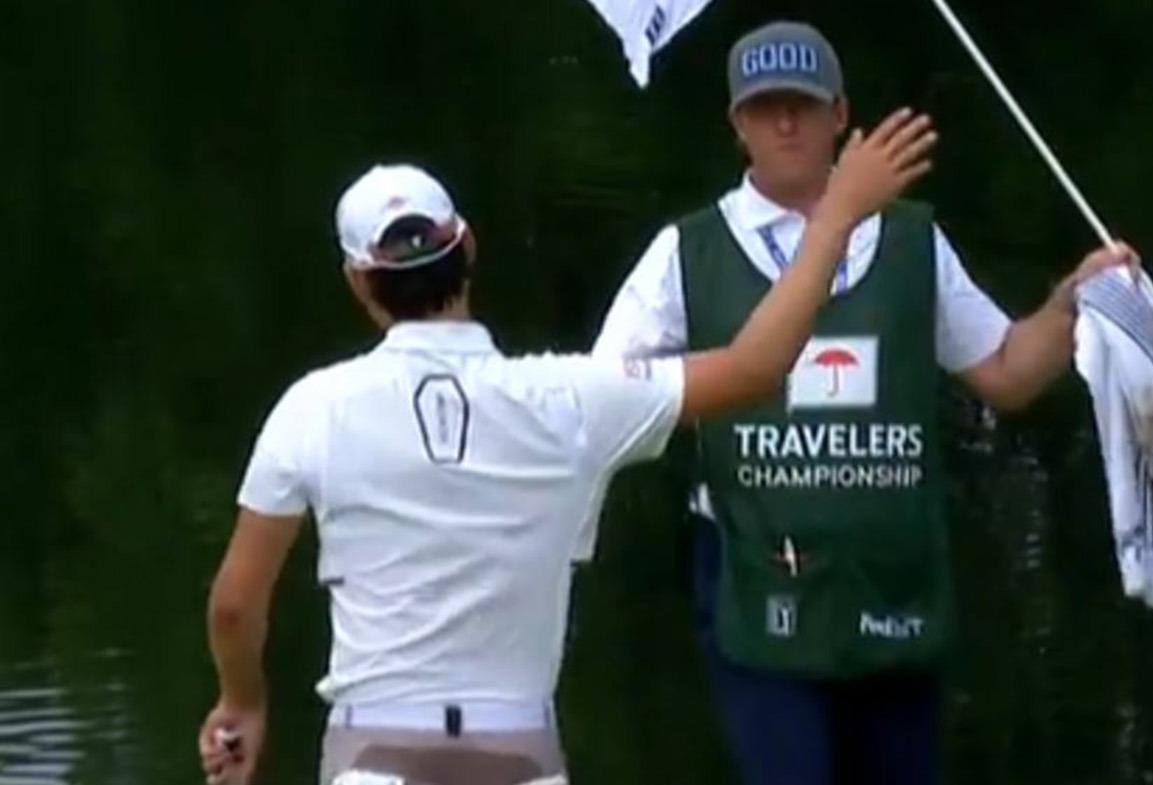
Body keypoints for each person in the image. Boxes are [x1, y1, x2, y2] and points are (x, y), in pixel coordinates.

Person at [195, 107, 936, 785]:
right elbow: (755, 366)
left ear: (360, 283)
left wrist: (243, 701)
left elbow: (235, 604)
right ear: (470, 249)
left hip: (373, 752)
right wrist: (834, 218)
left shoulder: (312, 408)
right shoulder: (570, 398)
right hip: (518, 750)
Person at [591, 19, 1136, 785]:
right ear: (737, 124)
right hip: (759, 585)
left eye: (804, 105)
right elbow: (599, 405)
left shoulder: (912, 240)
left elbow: (1008, 371)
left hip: (893, 582)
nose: (786, 122)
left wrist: (1074, 303)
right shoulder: (687, 253)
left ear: (840, 114)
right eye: (766, 106)